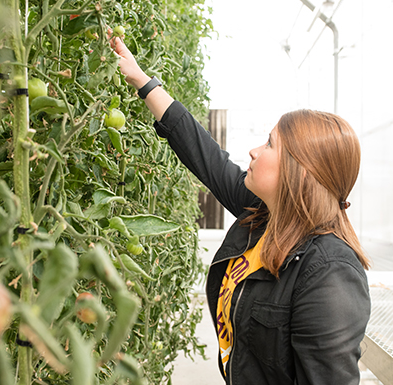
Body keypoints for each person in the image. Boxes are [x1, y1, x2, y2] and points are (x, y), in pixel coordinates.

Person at [110, 34, 371, 385]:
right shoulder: (263, 217)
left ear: (300, 171)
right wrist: (141, 80)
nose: (253, 150)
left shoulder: (329, 272)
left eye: (269, 144)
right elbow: (203, 154)